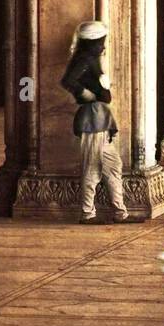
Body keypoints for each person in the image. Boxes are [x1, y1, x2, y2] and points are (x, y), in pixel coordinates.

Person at [60, 20, 131, 224]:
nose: (104, 45)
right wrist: (87, 94)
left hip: (99, 119)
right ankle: (87, 213)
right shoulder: (85, 58)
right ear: (93, 41)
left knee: (113, 165)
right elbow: (68, 81)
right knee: (92, 168)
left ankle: (120, 212)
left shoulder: (91, 58)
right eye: (102, 40)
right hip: (92, 119)